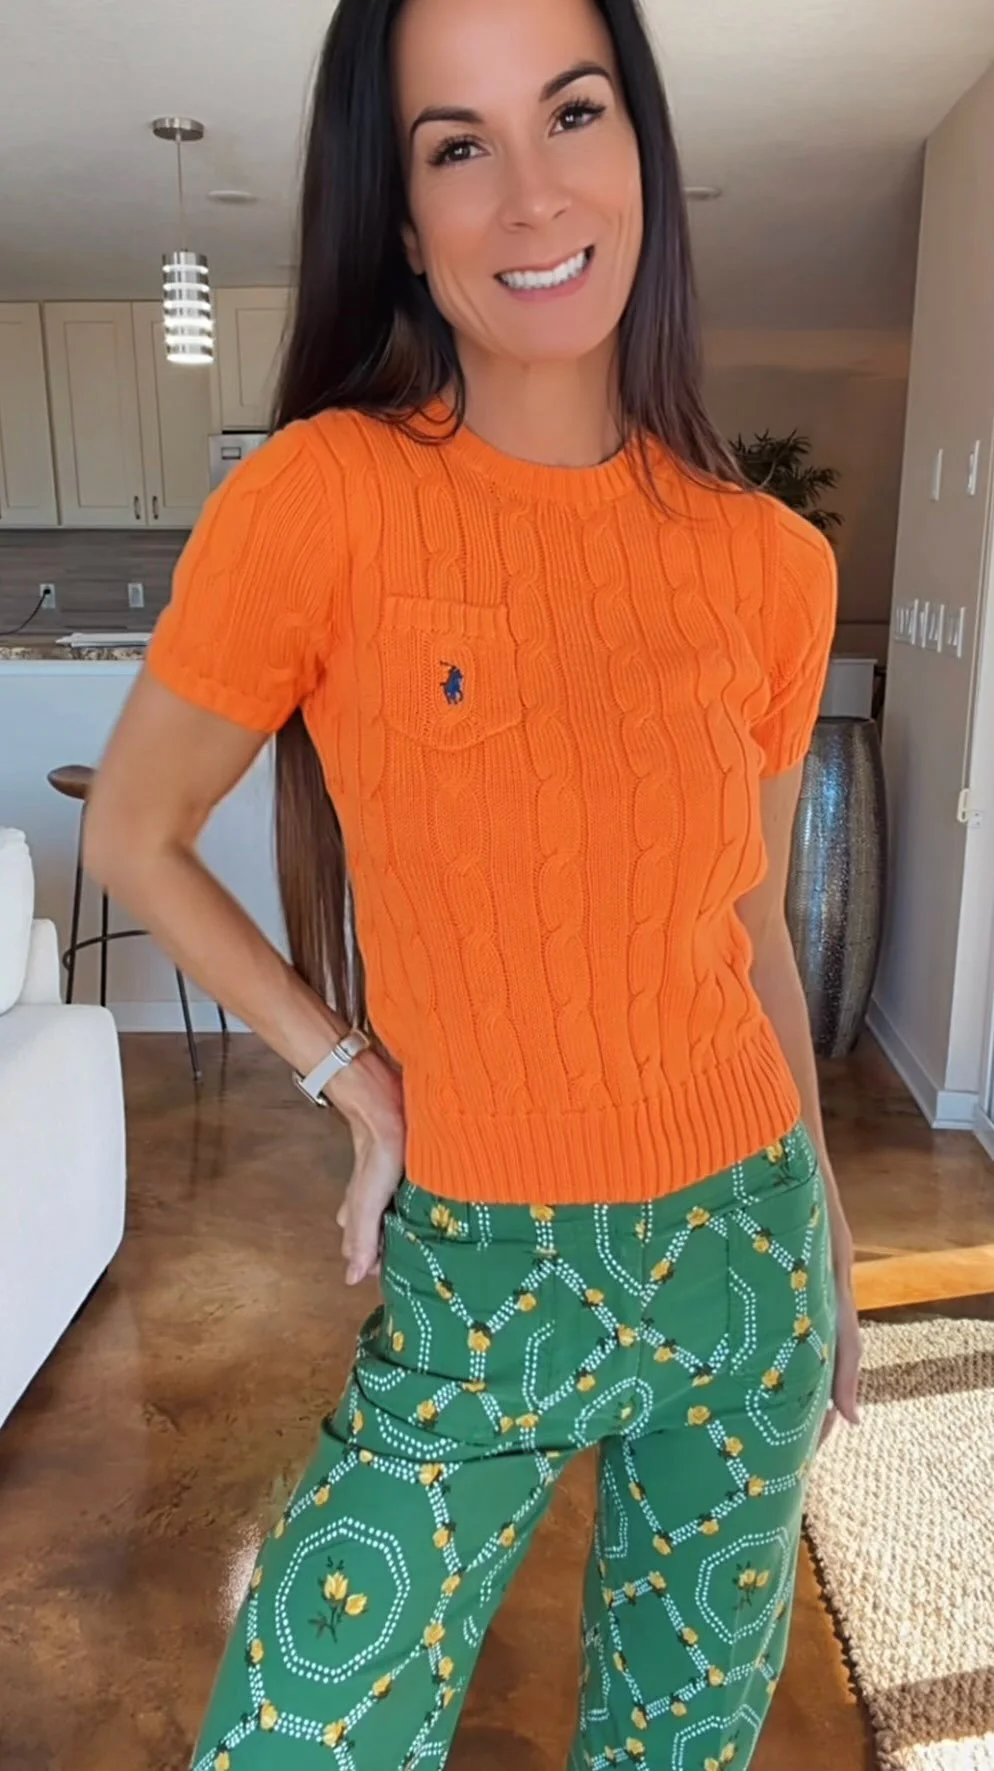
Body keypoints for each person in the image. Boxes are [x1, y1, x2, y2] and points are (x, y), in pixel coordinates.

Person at [86, 0, 862, 1764]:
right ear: (403, 212)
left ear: (638, 148)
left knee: (677, 1743)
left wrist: (819, 1221)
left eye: (571, 114)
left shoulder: (770, 566)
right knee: (298, 1730)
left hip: (739, 1258)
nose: (530, 194)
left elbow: (748, 922)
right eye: (458, 145)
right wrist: (350, 1075)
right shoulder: (327, 496)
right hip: (477, 1278)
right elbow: (134, 832)